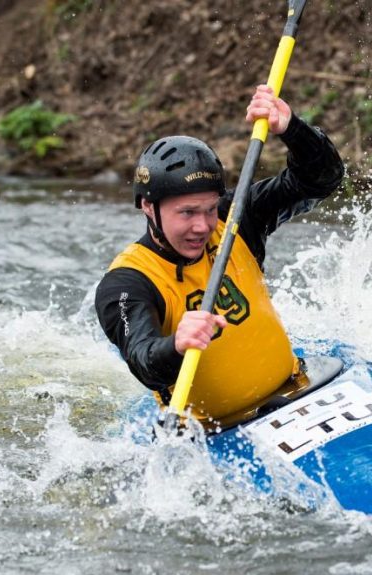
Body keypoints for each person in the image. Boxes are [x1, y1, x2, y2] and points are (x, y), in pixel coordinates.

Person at [95, 85, 344, 424]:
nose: (202, 226)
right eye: (187, 213)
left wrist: (294, 130)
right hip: (216, 434)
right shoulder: (127, 282)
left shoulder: (234, 218)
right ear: (148, 207)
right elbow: (144, 361)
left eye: (209, 209)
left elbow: (320, 181)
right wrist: (176, 345)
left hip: (296, 391)